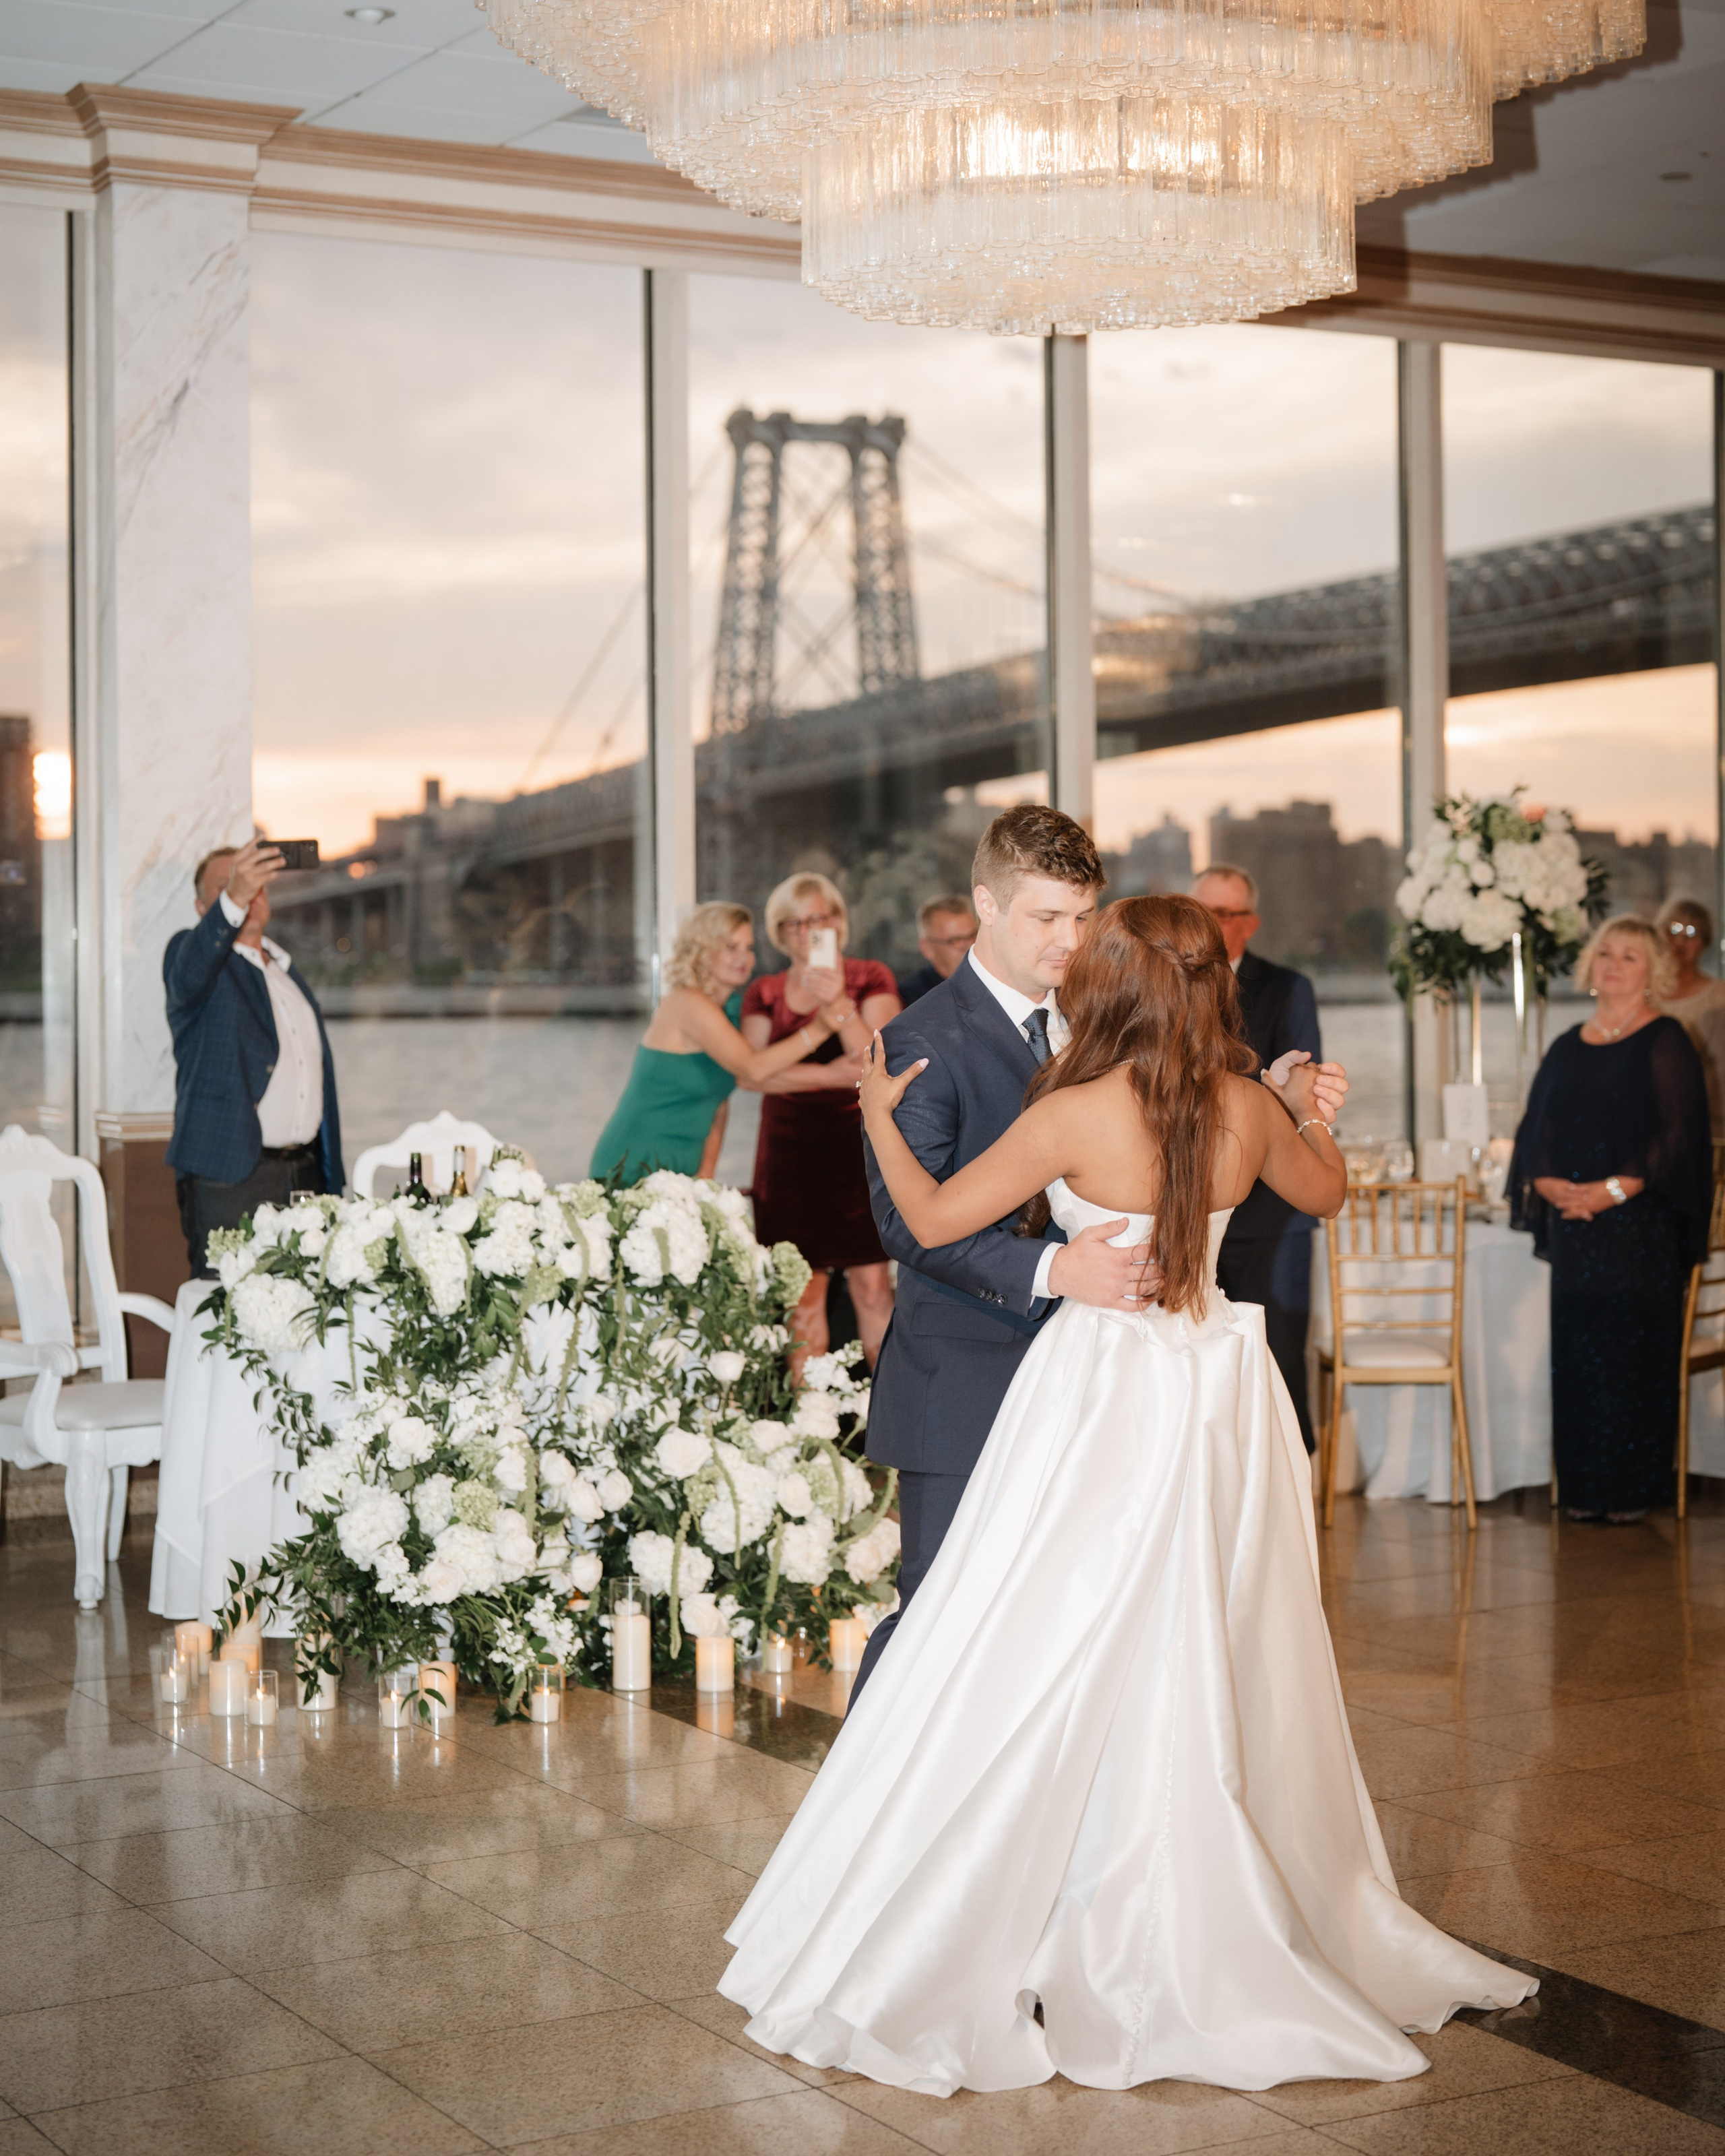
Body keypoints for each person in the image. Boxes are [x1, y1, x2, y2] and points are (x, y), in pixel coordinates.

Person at [720, 895, 1532, 2093]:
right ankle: (1192, 1894)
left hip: (1104, 1390)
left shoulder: (1079, 1110)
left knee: (1048, 1631)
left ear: (1115, 986)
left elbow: (939, 1217)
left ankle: (1049, 1887)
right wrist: (1311, 1115)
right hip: (1221, 1389)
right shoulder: (1246, 1103)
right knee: (1215, 1629)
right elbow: (1328, 1197)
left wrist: (880, 1123)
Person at [850, 804, 1347, 1706]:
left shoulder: (1100, 1028)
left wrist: (1271, 1095)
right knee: (939, 1624)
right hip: (974, 1377)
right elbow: (900, 1226)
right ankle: (870, 1835)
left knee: (1086, 1641)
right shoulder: (925, 1039)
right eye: (1047, 919)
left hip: (1109, 1395)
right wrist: (1051, 1271)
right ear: (986, 908)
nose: (1071, 942)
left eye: (1085, 919)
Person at [1509, 912, 1712, 1523]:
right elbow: (1533, 1130)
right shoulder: (1569, 1043)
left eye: (1629, 956)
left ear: (1652, 972)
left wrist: (1611, 1193)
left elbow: (1678, 1139)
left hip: (1637, 1232)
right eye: (1606, 954)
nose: (1614, 964)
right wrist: (1551, 1186)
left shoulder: (1668, 1038)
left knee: (1630, 1361)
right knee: (1576, 1359)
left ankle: (1628, 1493)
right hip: (1575, 1229)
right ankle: (1582, 1490)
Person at [740, 873, 902, 1366]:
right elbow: (753, 1076)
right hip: (789, 1155)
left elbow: (884, 1061)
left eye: (816, 919)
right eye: (792, 922)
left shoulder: (871, 976)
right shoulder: (765, 991)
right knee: (802, 1294)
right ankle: (811, 1435)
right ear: (779, 931)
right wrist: (834, 1073)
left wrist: (837, 1006)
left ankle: (885, 1429)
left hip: (859, 1151)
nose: (805, 930)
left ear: (837, 922)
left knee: (874, 1286)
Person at [166, 838, 343, 1278]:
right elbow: (189, 971)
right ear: (202, 905)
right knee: (231, 1331)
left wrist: (331, 1175)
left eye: (253, 884)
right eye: (229, 886)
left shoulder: (286, 972)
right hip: (231, 1178)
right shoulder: (192, 957)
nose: (248, 893)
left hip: (307, 1177)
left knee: (308, 1327)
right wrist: (234, 898)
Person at [590, 901, 858, 1185]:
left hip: (682, 1172)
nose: (744, 958)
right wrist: (822, 1028)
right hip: (631, 1163)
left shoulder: (731, 1009)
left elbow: (719, 1101)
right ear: (703, 952)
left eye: (749, 948)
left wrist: (707, 1177)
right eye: (731, 947)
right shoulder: (686, 1003)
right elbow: (752, 1069)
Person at [1194, 861, 1322, 1452]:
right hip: (1193, 1204)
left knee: (1280, 1351)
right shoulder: (1175, 984)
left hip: (1272, 1208)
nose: (1215, 926)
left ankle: (1293, 1479)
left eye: (1227, 914)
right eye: (1205, 912)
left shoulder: (1288, 988)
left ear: (1251, 922)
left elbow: (1300, 1087)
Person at [1656, 895, 1725, 1134]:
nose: (1679, 941)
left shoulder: (1719, 996)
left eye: (1691, 934)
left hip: (1703, 1120)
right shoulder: (1642, 994)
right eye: (1673, 929)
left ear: (1705, 944)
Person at [896, 893, 978, 1006]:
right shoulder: (910, 999)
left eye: (973, 935)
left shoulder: (996, 979)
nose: (970, 946)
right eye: (956, 940)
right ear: (927, 949)